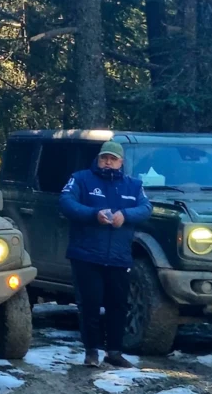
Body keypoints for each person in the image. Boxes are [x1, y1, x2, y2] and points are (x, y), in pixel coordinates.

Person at [58, 138, 150, 367]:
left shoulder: (134, 185)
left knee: (118, 305)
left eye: (113, 159)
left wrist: (125, 216)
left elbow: (146, 208)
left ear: (121, 162)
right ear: (98, 158)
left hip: (119, 257)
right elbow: (66, 202)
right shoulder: (81, 179)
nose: (108, 163)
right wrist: (93, 214)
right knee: (90, 304)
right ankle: (91, 352)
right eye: (104, 158)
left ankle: (115, 352)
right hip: (86, 254)